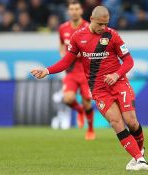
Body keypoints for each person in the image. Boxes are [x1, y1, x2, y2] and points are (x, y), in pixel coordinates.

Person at [31, 6, 148, 171]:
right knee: (116, 123)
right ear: (92, 19)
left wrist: (116, 75)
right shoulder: (78, 37)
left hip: (119, 83)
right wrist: (47, 71)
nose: (103, 27)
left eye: (106, 24)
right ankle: (139, 159)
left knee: (131, 121)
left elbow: (129, 61)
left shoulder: (113, 35)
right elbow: (66, 61)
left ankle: (140, 153)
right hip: (99, 89)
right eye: (100, 24)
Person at [58, 0, 95, 140]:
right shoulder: (62, 28)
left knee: (87, 101)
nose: (74, 11)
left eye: (76, 8)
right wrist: (63, 55)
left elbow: (92, 47)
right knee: (68, 98)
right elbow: (61, 45)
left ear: (81, 11)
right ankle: (79, 111)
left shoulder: (88, 27)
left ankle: (90, 129)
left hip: (86, 70)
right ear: (68, 11)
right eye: (71, 9)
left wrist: (77, 54)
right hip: (71, 71)